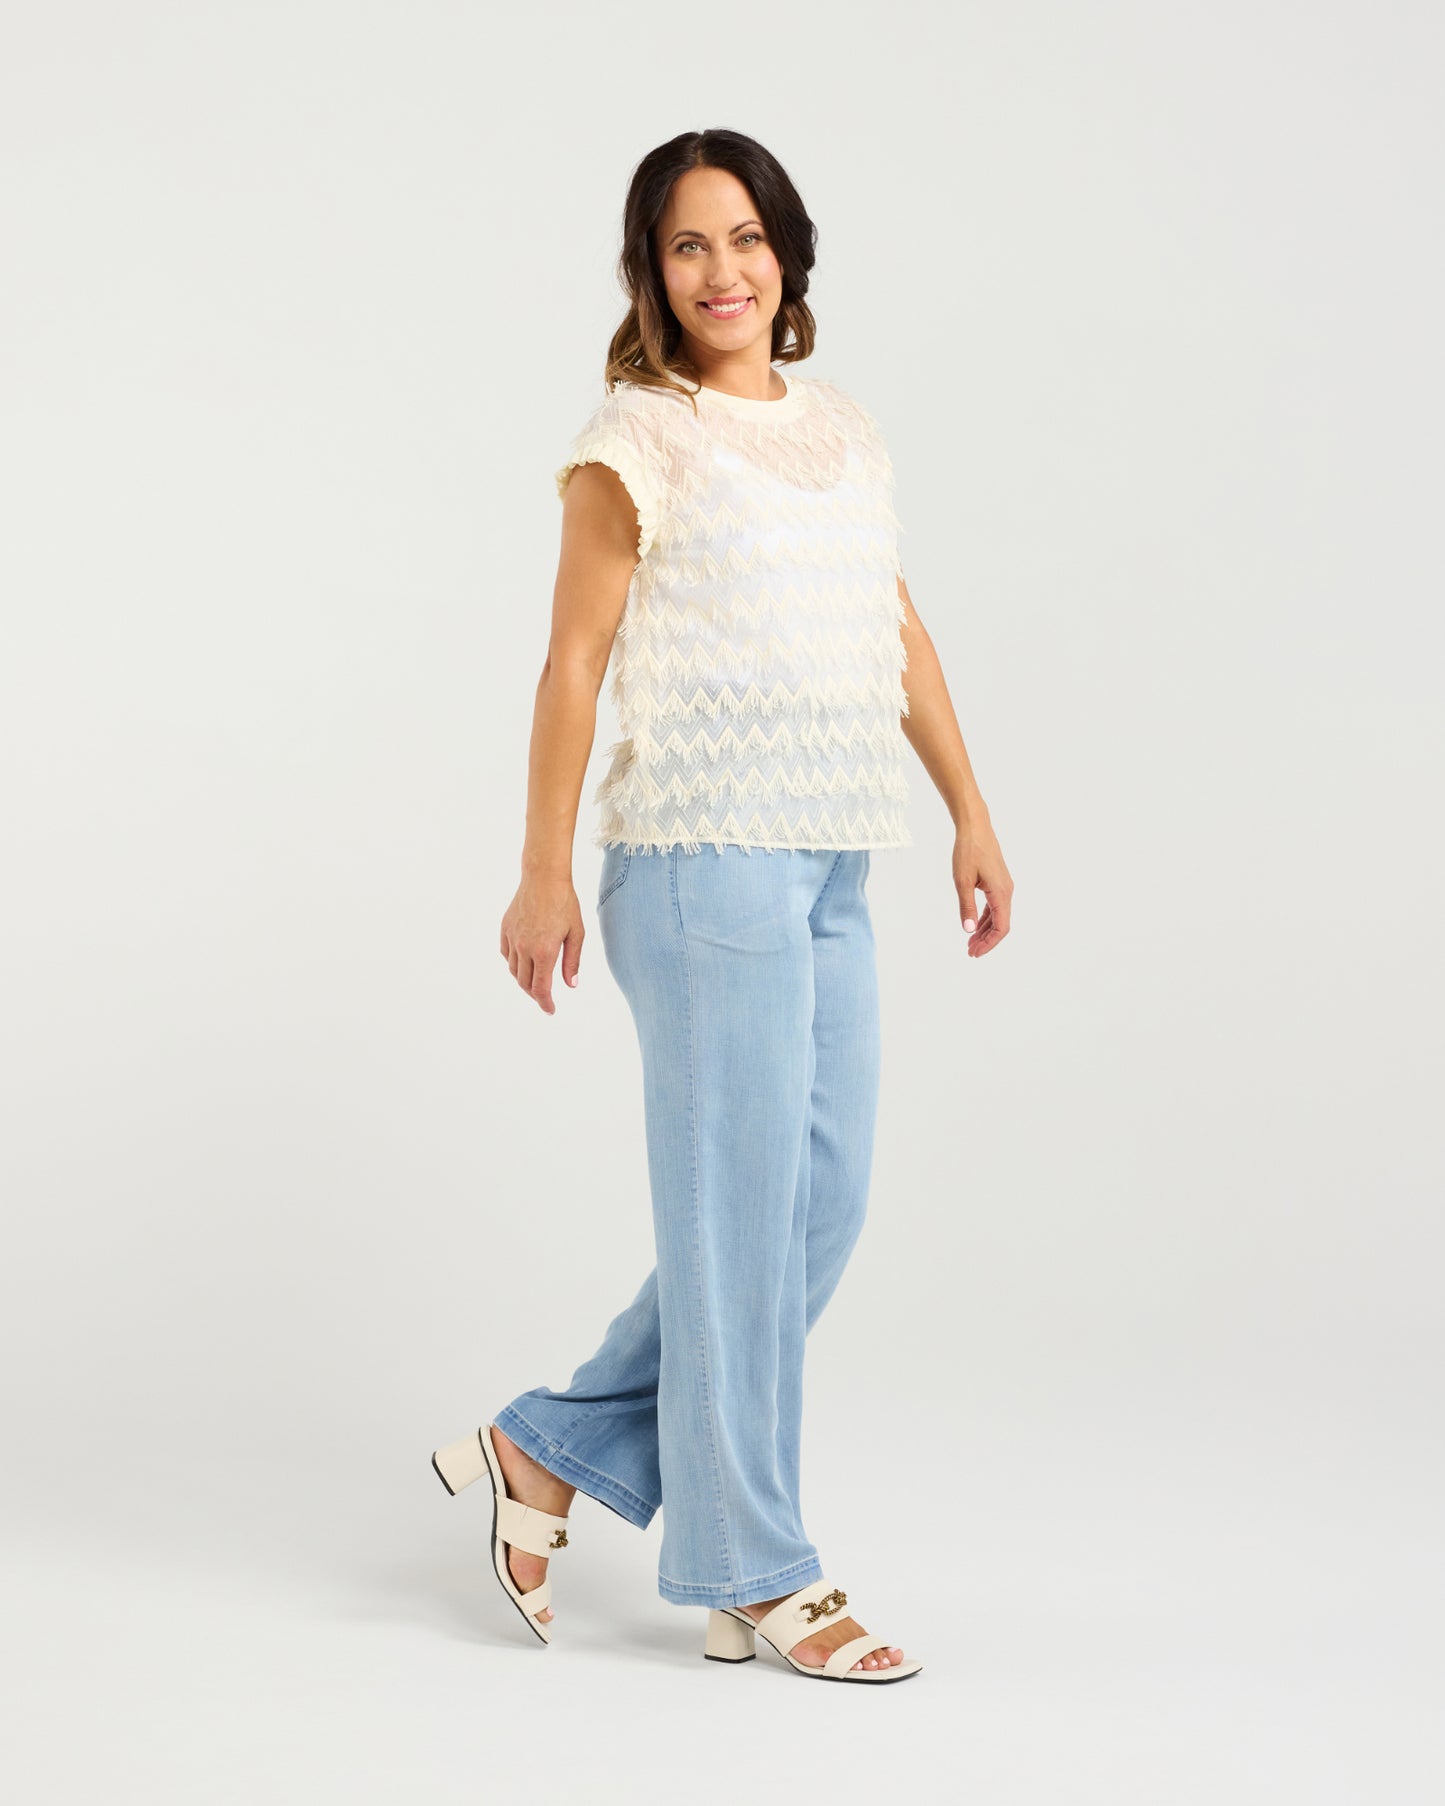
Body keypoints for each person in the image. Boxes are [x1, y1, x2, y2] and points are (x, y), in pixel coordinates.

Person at [433, 128, 1012, 1684]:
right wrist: (543, 865)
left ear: (786, 255)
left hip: (831, 855)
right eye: (686, 244)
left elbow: (893, 624)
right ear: (650, 271)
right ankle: (756, 1566)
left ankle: (547, 1445)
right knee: (736, 1221)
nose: (722, 270)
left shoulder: (844, 431)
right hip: (698, 859)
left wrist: (968, 806)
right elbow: (572, 661)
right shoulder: (632, 440)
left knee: (811, 1206)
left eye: (745, 238)